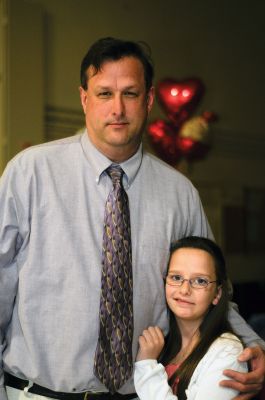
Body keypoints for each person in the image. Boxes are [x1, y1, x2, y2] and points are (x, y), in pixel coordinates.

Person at [0, 37, 264, 400]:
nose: (118, 109)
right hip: (35, 393)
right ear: (84, 98)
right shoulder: (29, 173)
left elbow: (213, 288)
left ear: (150, 99)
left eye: (131, 93)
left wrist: (253, 345)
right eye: (104, 93)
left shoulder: (180, 193)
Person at [134, 236, 248, 399]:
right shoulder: (163, 346)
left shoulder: (228, 351)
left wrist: (146, 365)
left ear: (217, 294)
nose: (185, 290)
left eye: (200, 281)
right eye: (176, 278)